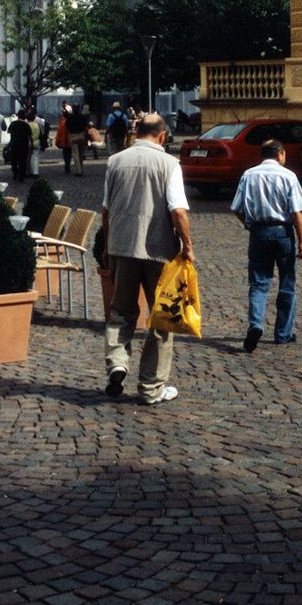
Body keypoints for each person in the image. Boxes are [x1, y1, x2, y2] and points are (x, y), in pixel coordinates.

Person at [102, 113, 194, 406]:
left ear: (137, 131)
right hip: (158, 251)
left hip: (122, 246)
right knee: (162, 319)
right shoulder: (169, 163)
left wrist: (106, 244)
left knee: (120, 312)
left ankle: (117, 362)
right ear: (163, 135)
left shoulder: (115, 161)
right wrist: (188, 245)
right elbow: (178, 210)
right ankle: (151, 387)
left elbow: (105, 210)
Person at [232, 138, 302, 351]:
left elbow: (236, 208)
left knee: (258, 283)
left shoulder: (249, 175)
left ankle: (256, 324)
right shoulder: (288, 176)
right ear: (280, 154)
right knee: (287, 282)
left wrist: (250, 224)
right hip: (283, 233)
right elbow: (296, 212)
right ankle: (283, 333)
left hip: (258, 232)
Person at [7, 110, 33, 182]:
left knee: (14, 161)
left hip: (14, 144)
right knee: (23, 161)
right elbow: (30, 136)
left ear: (18, 116)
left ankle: (15, 173)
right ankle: (21, 176)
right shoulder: (26, 125)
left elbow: (8, 131)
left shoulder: (13, 123)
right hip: (24, 146)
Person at [67, 105, 89, 176]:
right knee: (81, 154)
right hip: (81, 135)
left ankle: (78, 171)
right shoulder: (82, 117)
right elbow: (86, 126)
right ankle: (81, 168)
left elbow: (67, 126)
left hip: (73, 136)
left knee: (75, 154)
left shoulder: (70, 117)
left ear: (73, 109)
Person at [55, 103, 72, 174]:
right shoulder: (68, 121)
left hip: (65, 140)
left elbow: (59, 132)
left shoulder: (62, 121)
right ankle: (67, 165)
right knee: (68, 154)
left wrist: (58, 141)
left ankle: (67, 166)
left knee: (66, 154)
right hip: (68, 140)